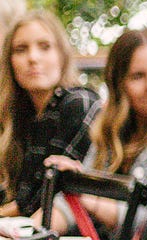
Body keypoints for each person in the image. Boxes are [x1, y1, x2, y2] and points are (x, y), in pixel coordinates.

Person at [42, 29, 147, 240]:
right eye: (138, 76)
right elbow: (72, 206)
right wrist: (24, 230)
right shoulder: (111, 128)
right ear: (118, 84)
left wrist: (88, 195)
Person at [0, 11, 100, 218]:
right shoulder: (16, 114)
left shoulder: (79, 103)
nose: (33, 58)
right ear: (9, 61)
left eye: (45, 47)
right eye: (21, 49)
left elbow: (39, 199)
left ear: (62, 55)